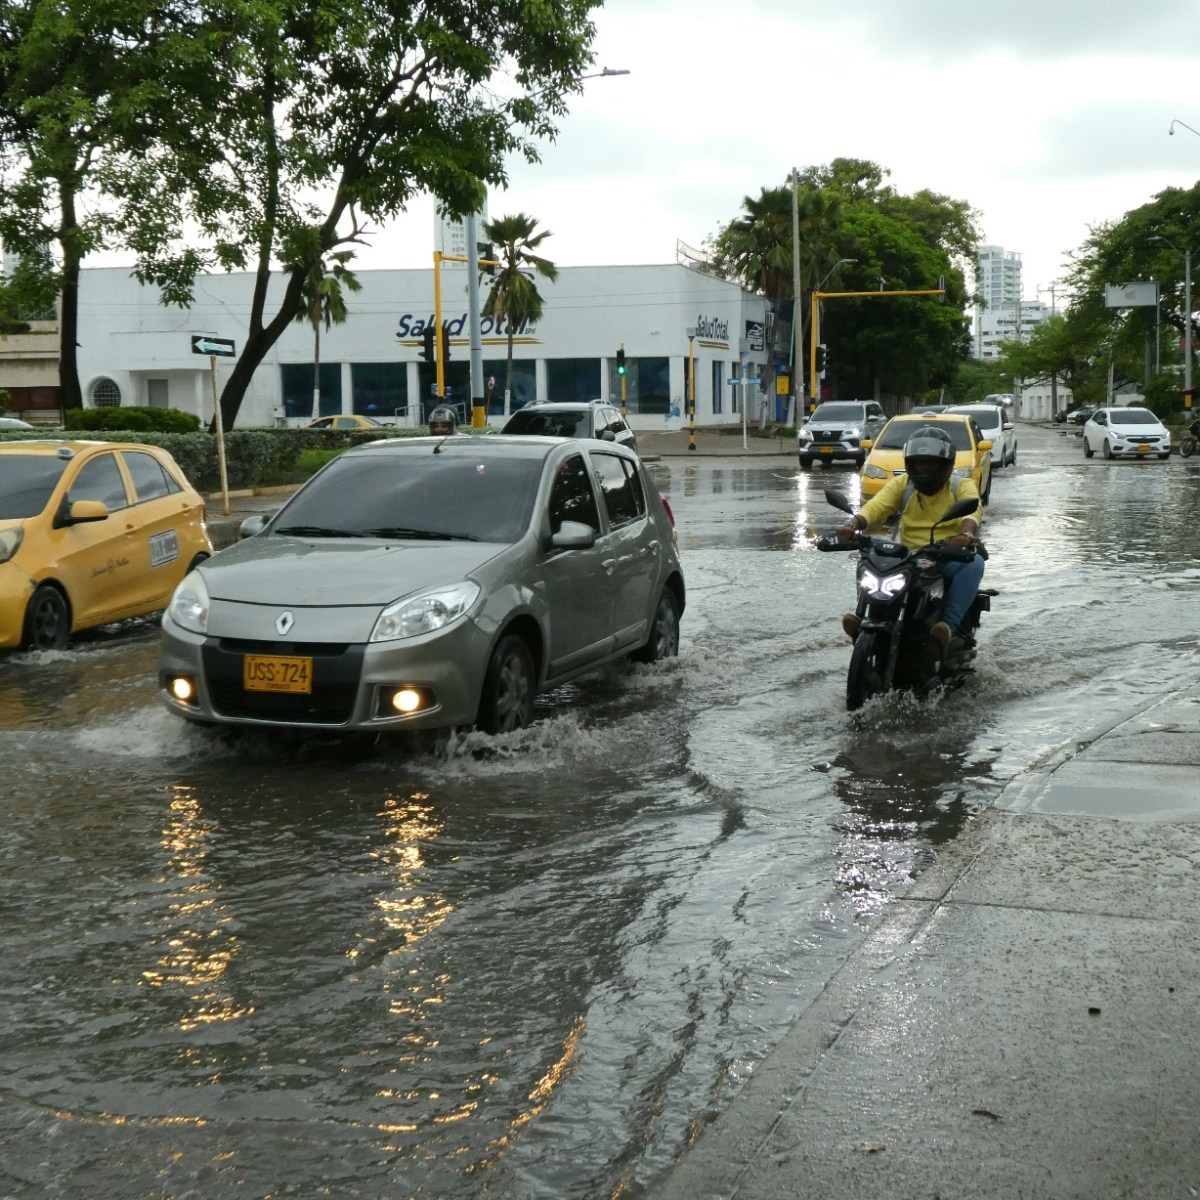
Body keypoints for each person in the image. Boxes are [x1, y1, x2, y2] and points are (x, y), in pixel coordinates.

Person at [836, 425, 984, 661]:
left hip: (947, 555)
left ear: (945, 464)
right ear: (910, 463)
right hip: (908, 556)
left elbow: (972, 510)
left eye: (930, 463)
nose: (924, 468)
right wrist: (853, 525)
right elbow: (877, 506)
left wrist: (965, 535)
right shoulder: (903, 484)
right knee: (868, 562)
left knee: (975, 563)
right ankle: (863, 616)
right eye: (919, 463)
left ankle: (946, 628)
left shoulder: (959, 485)